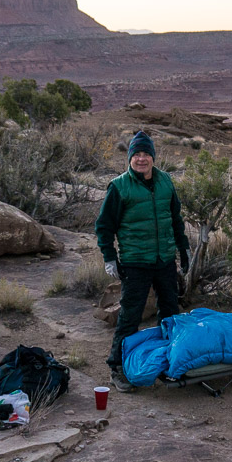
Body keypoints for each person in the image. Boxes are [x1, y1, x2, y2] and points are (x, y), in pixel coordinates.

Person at [95, 130, 190, 392]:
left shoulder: (166, 182)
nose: (141, 159)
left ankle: (171, 362)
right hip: (135, 261)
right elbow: (104, 226)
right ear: (129, 158)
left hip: (164, 260)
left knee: (170, 312)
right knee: (130, 316)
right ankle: (118, 368)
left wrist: (184, 250)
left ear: (153, 157)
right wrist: (109, 257)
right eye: (136, 154)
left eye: (146, 154)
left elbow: (176, 219)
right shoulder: (119, 186)